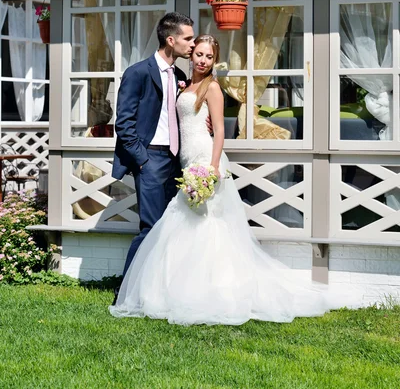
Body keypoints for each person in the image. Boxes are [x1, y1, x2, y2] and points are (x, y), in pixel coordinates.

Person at [110, 35, 362, 325]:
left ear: (214, 61)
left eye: (209, 56)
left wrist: (212, 168)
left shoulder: (212, 88)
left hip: (205, 160)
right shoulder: (183, 83)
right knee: (182, 225)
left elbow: (219, 130)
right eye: (199, 54)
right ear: (191, 57)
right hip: (184, 159)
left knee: (205, 224)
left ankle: (212, 290)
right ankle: (179, 287)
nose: (203, 60)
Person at [111, 12, 195, 303]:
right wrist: (142, 160)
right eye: (188, 38)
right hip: (151, 158)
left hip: (175, 160)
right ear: (171, 40)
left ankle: (160, 289)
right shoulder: (138, 72)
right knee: (151, 227)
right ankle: (125, 293)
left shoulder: (181, 76)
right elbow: (123, 123)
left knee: (173, 227)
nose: (192, 44)